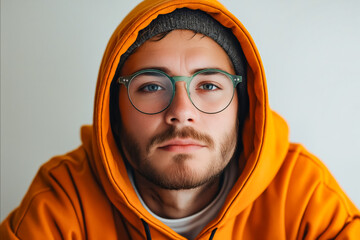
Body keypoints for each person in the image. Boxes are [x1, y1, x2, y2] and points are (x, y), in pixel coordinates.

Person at [1, 0, 359, 239]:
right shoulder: (62, 199)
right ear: (112, 111)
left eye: (208, 84)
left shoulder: (304, 194)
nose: (181, 111)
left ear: (243, 105)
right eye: (152, 86)